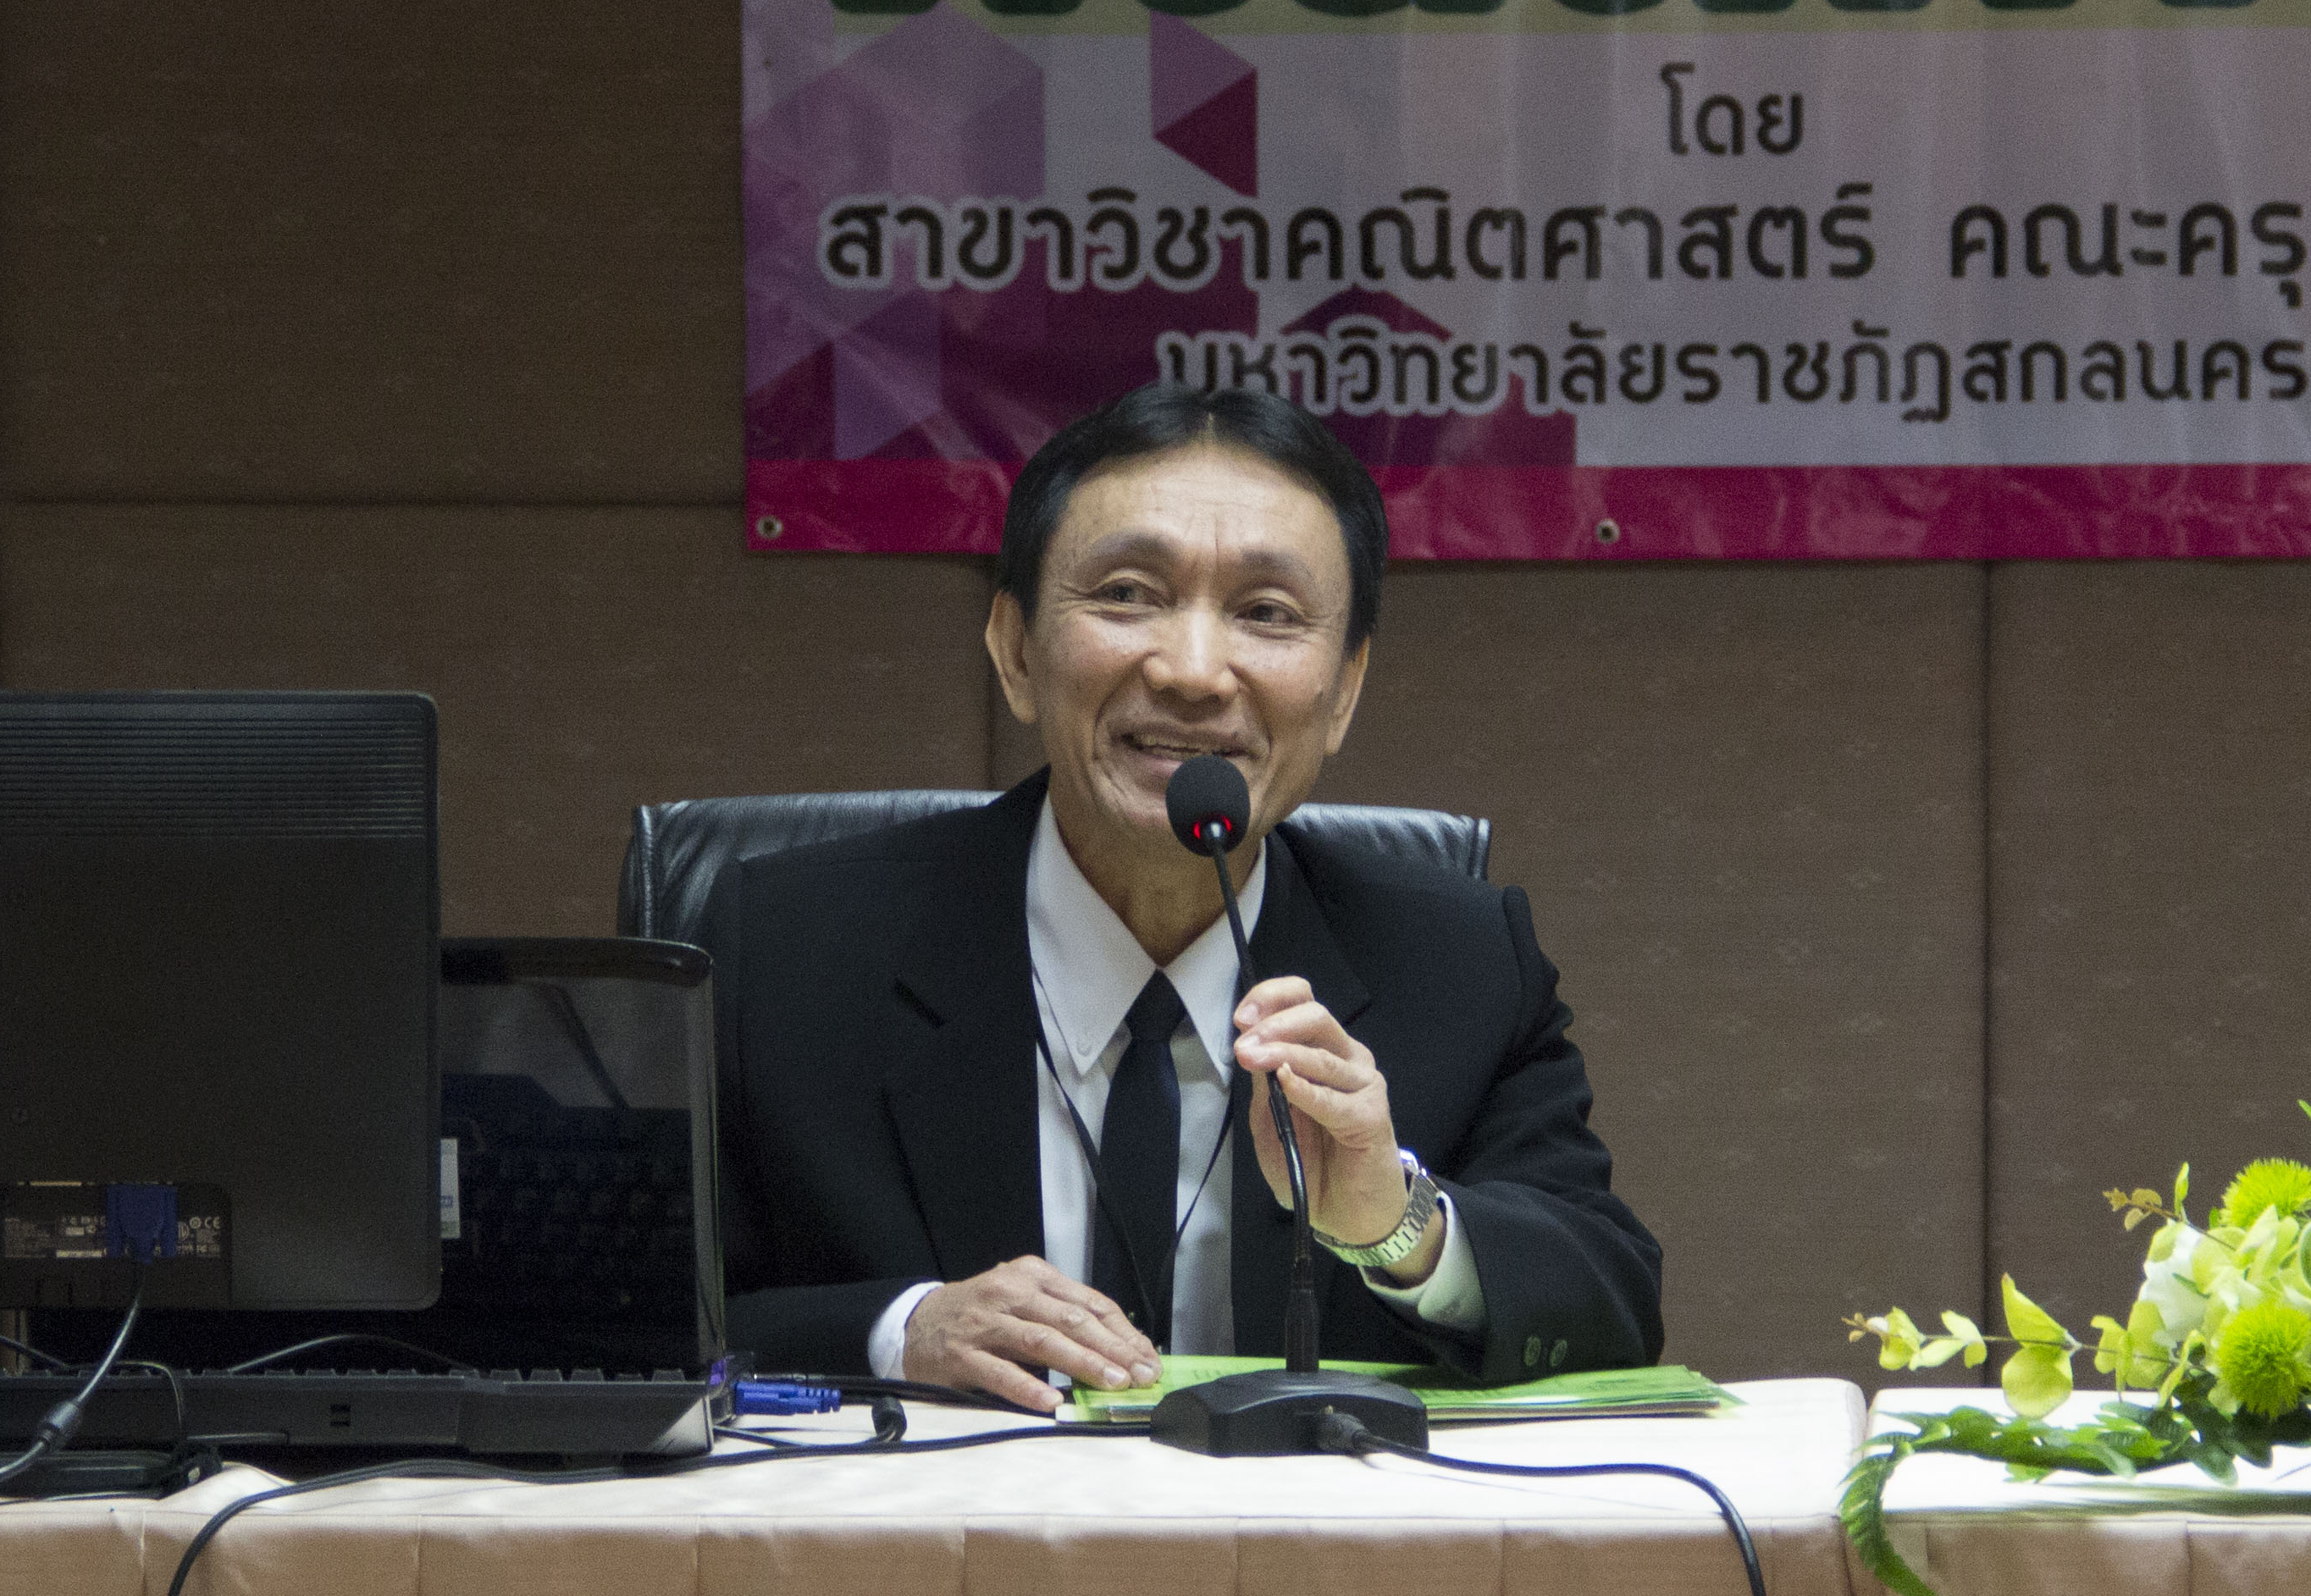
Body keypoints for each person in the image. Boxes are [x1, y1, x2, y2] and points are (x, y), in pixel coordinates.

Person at [707, 380, 1661, 1409]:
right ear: (1016, 651)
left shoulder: (1459, 964)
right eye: (1127, 595)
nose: (1196, 672)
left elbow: (1609, 1302)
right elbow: (632, 1324)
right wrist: (901, 1332)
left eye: (1266, 613)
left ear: (1344, 691)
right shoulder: (792, 952)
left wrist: (1400, 1225)